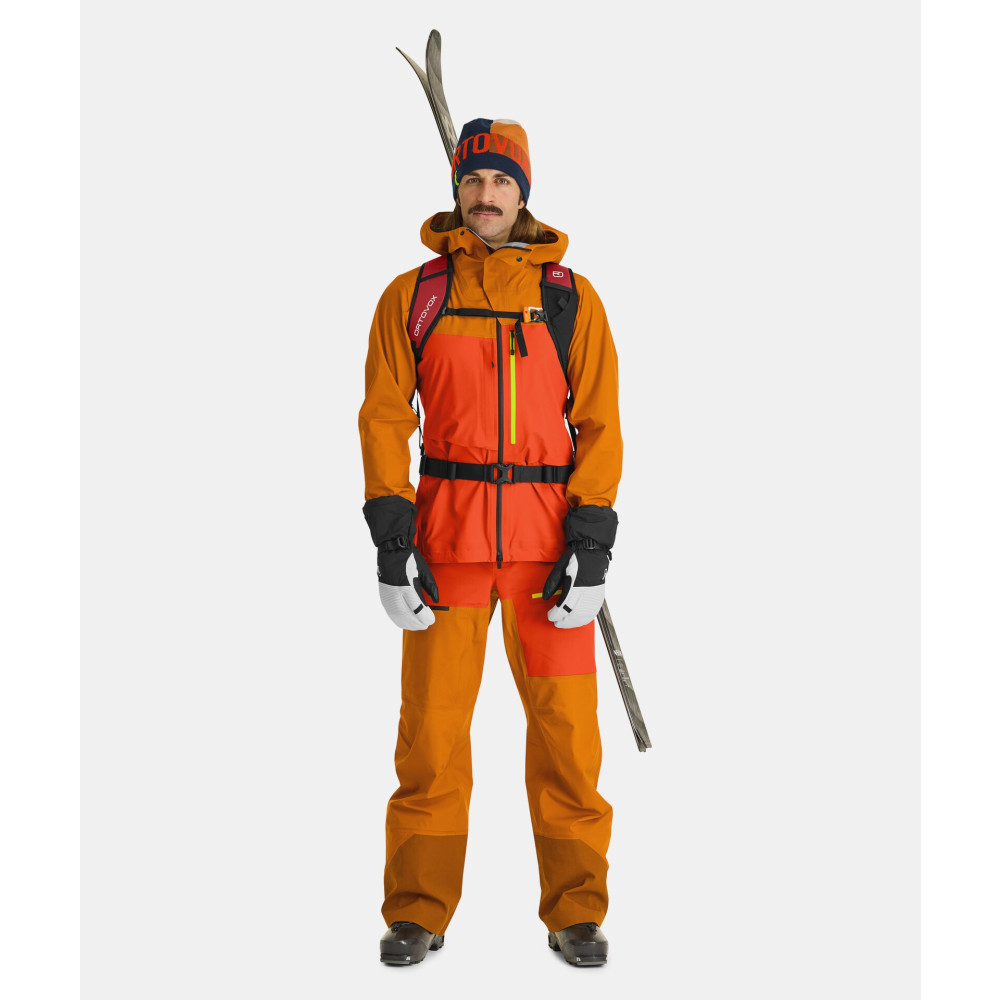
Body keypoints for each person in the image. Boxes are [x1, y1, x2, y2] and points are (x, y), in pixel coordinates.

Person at [358, 118, 623, 967]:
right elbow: (385, 417)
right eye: (473, 180)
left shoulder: (569, 299)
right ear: (456, 188)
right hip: (448, 550)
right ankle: (417, 910)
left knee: (567, 739)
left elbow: (600, 421)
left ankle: (577, 911)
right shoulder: (414, 296)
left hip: (549, 559)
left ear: (524, 192)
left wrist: (592, 539)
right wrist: (392, 535)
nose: (486, 195)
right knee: (430, 741)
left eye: (502, 181)